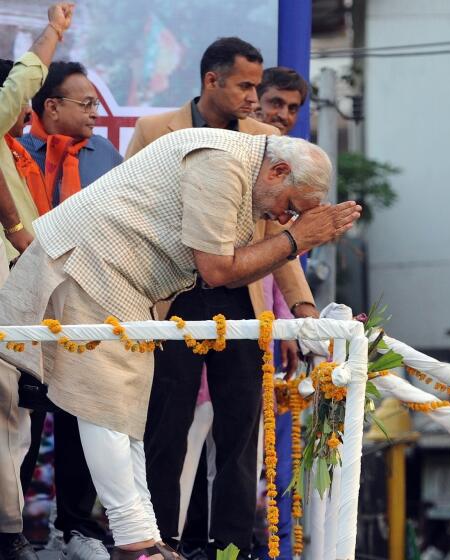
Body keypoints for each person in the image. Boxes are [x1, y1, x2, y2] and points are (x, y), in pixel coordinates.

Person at [0, 127, 362, 560]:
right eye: (290, 208)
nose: (284, 219)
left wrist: (297, 265)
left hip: (120, 283)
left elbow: (249, 263)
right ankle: (135, 541)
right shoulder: (222, 163)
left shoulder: (249, 171)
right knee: (106, 405)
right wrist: (298, 239)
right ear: (279, 171)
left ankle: (145, 535)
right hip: (88, 265)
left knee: (126, 411)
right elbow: (216, 270)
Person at [126, 37, 317, 560]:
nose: (256, 98)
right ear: (212, 81)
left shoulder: (262, 140)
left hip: (240, 297)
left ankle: (230, 546)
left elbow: (282, 233)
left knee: (239, 430)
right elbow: (132, 212)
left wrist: (302, 307)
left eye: (259, 86)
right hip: (172, 297)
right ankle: (159, 541)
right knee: (167, 426)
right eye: (247, 86)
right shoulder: (153, 131)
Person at [14, 60, 123, 560]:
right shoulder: (15, 153)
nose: (96, 114)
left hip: (86, 306)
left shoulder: (109, 158)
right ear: (50, 106)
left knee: (81, 416)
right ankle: (11, 528)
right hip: (25, 305)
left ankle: (78, 528)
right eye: (86, 103)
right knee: (21, 420)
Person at [0, 5, 74, 560]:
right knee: (7, 413)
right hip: (6, 290)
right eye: (20, 100)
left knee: (16, 419)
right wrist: (53, 32)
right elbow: (28, 74)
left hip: (23, 295)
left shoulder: (13, 154)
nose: (26, 109)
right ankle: (7, 533)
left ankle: (11, 530)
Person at [256, 66, 308, 136]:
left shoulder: (301, 146)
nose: (284, 116)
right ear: (254, 101)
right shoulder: (237, 143)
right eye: (276, 104)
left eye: (292, 109)